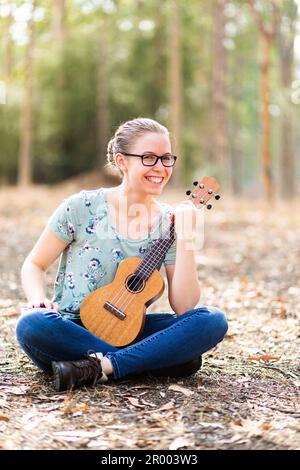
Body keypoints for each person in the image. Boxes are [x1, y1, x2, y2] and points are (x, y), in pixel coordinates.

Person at [16, 117, 228, 392]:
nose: (160, 168)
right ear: (122, 161)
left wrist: (186, 235)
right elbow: (34, 263)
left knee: (211, 320)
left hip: (130, 330)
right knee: (32, 325)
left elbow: (185, 307)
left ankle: (102, 367)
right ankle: (141, 361)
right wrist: (37, 300)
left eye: (166, 158)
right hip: (71, 330)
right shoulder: (82, 207)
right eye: (149, 158)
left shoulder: (170, 222)